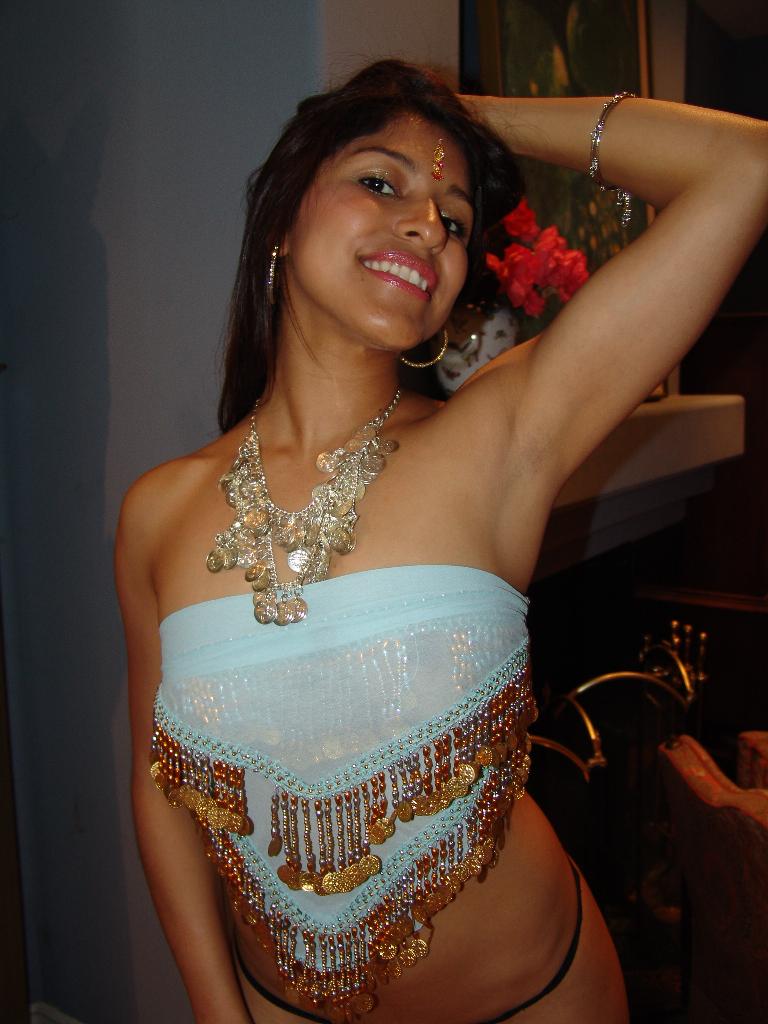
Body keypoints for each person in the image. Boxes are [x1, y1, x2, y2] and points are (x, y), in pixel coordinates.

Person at [115, 60, 768, 1024]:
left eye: (455, 220)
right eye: (380, 181)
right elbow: (160, 790)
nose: (426, 224)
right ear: (283, 216)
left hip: (536, 998)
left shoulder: (502, 436)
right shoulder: (157, 513)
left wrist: (456, 116)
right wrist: (218, 1013)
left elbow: (745, 167)